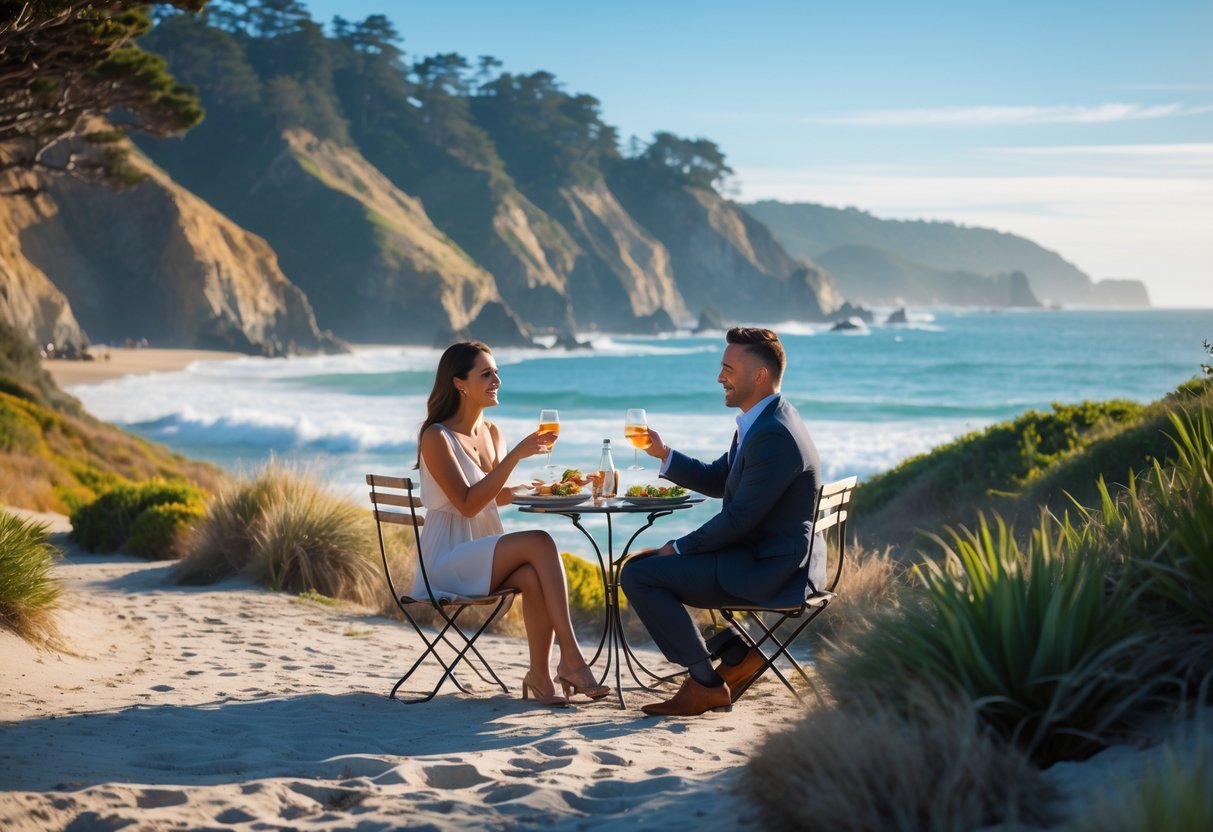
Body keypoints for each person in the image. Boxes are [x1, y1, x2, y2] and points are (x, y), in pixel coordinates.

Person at [620, 327, 822, 716]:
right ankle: (736, 655)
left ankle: (706, 684)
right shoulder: (768, 419)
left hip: (771, 569)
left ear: (758, 376)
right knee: (647, 564)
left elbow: (739, 518)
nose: (719, 378)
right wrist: (663, 453)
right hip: (768, 555)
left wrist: (677, 546)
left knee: (640, 574)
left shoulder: (772, 434)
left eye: (728, 368)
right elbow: (719, 479)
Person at [416, 340, 609, 707]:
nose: (497, 380)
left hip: (482, 553)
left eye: (497, 372)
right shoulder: (436, 436)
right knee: (540, 541)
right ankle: (572, 659)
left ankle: (539, 675)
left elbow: (495, 495)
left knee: (533, 575)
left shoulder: (491, 432)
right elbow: (468, 504)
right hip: (446, 562)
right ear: (459, 383)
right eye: (486, 374)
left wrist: (555, 488)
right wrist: (518, 456)